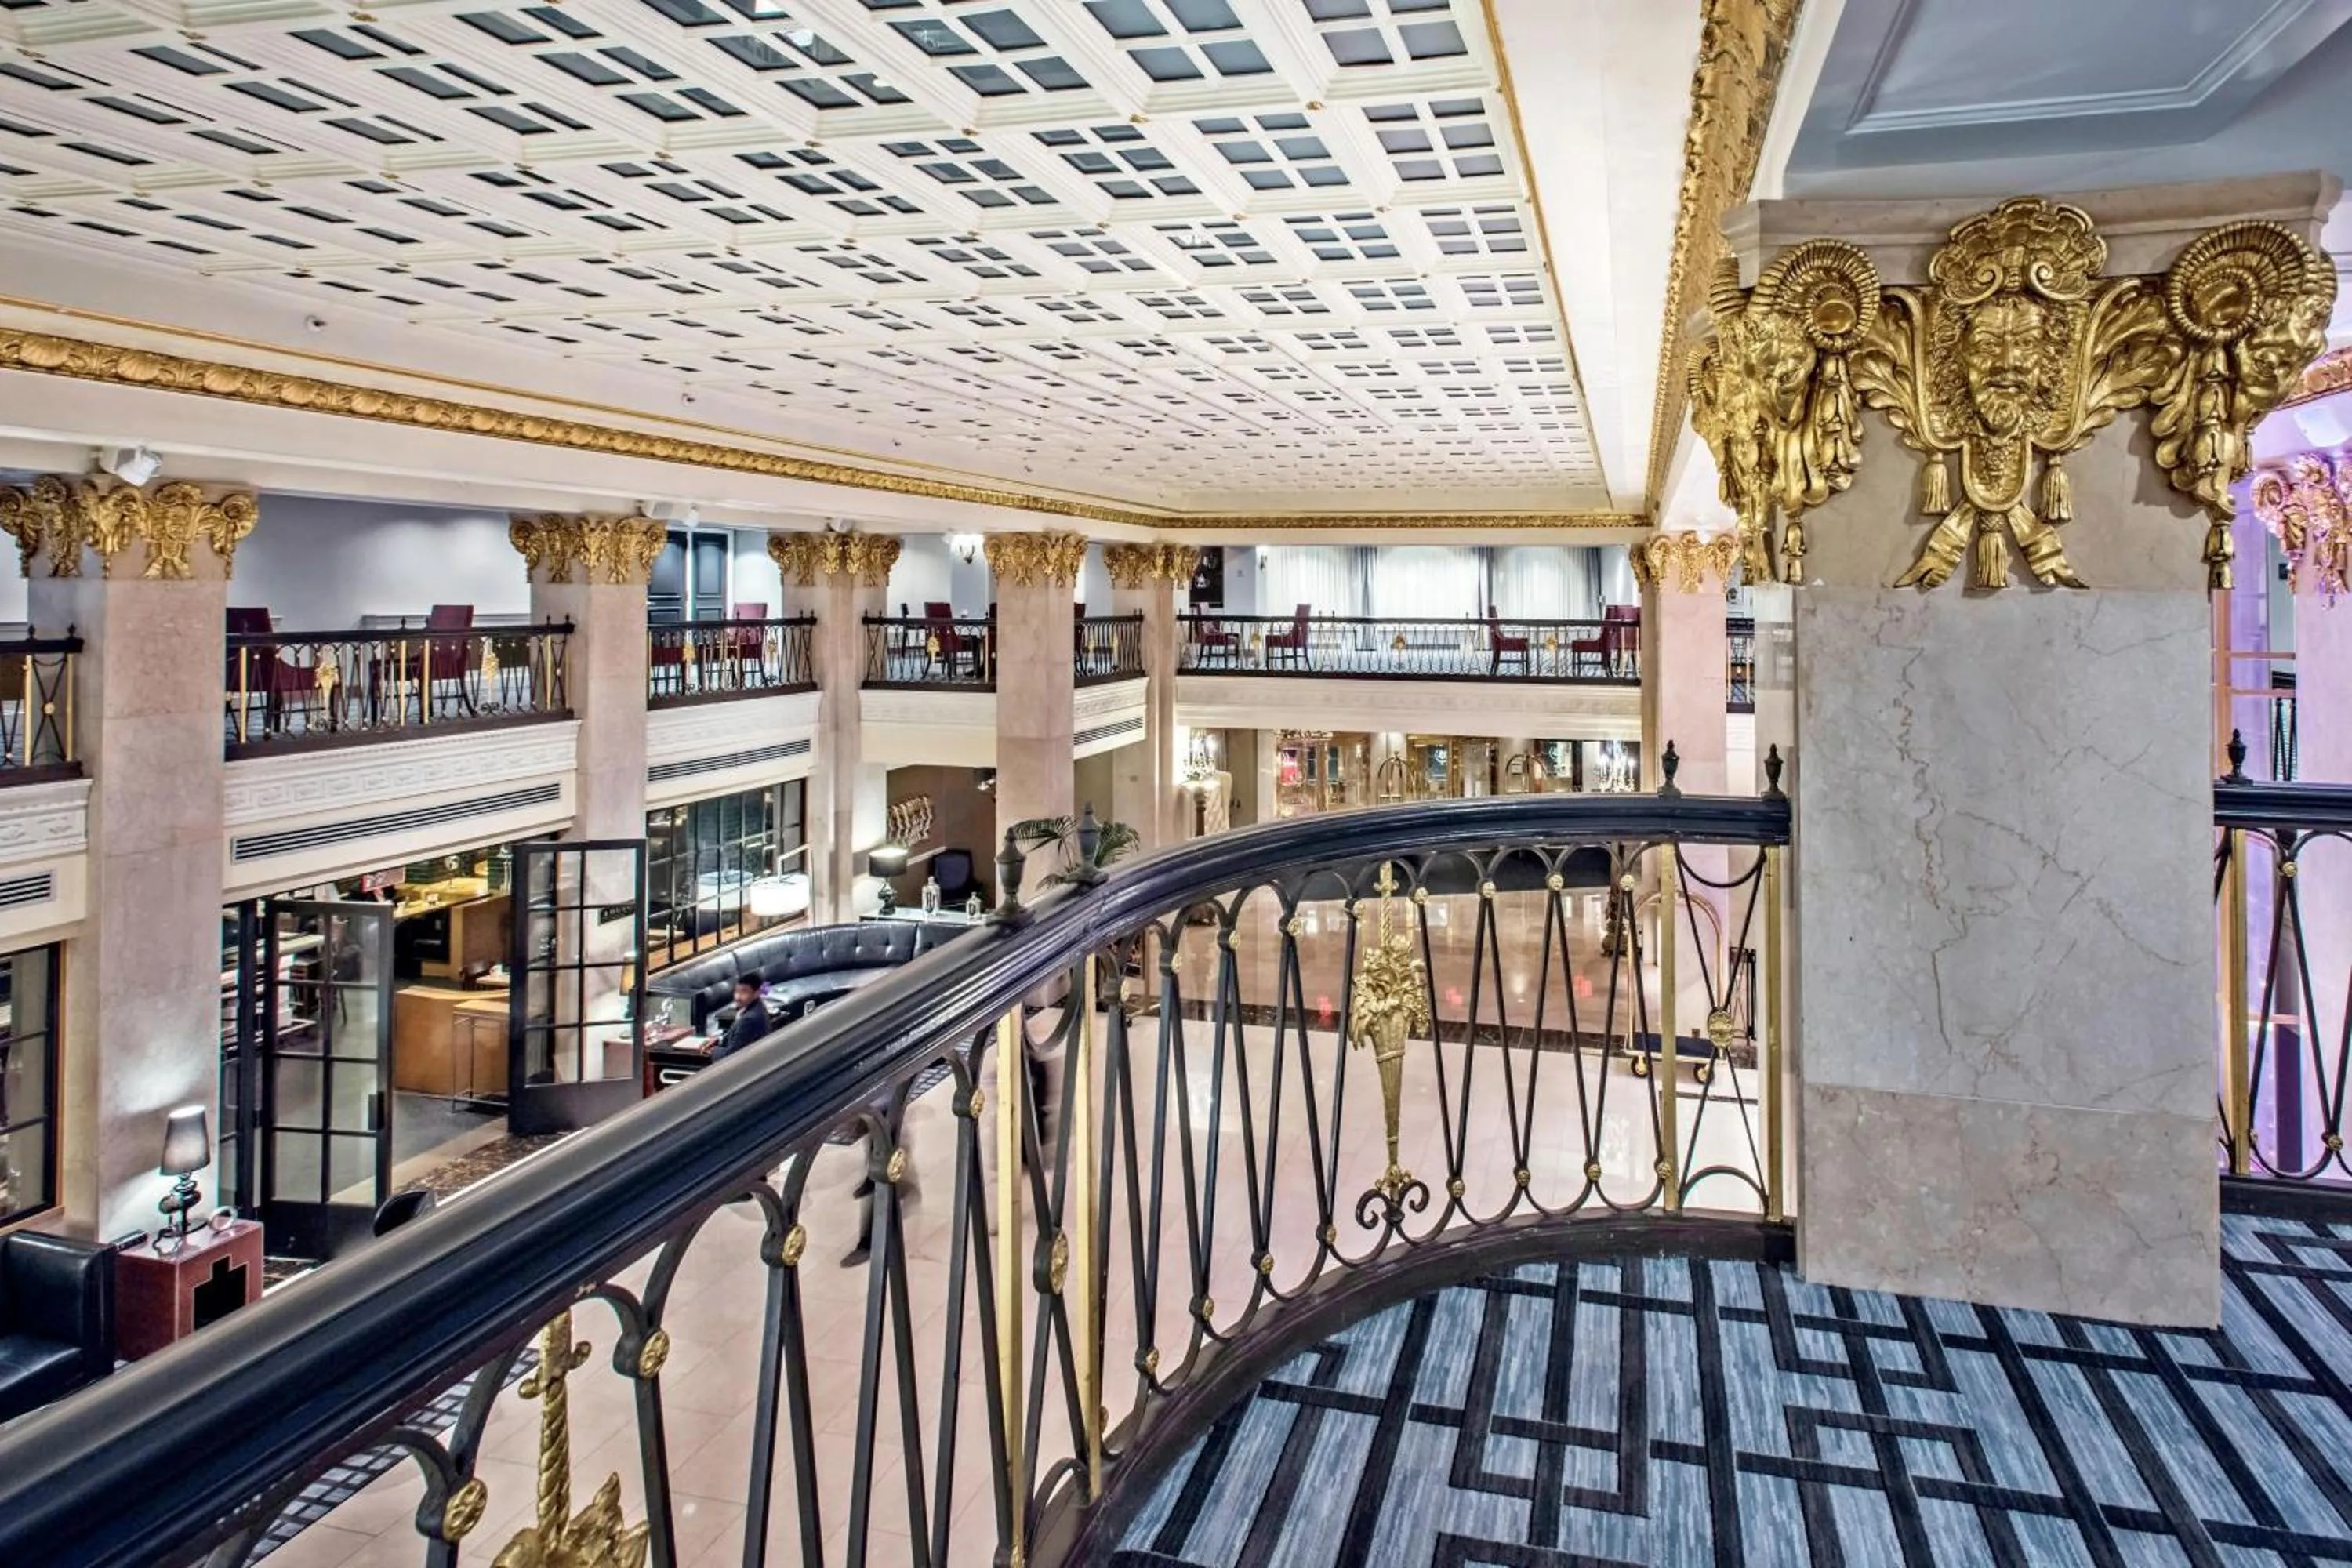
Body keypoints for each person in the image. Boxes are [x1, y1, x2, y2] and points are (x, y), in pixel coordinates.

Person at [705, 971, 771, 1062]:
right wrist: (719, 1040)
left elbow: (730, 1056)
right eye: (736, 991)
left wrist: (712, 1050)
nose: (737, 997)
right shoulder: (757, 1007)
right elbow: (738, 1038)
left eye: (744, 992)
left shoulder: (749, 1020)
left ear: (756, 993)